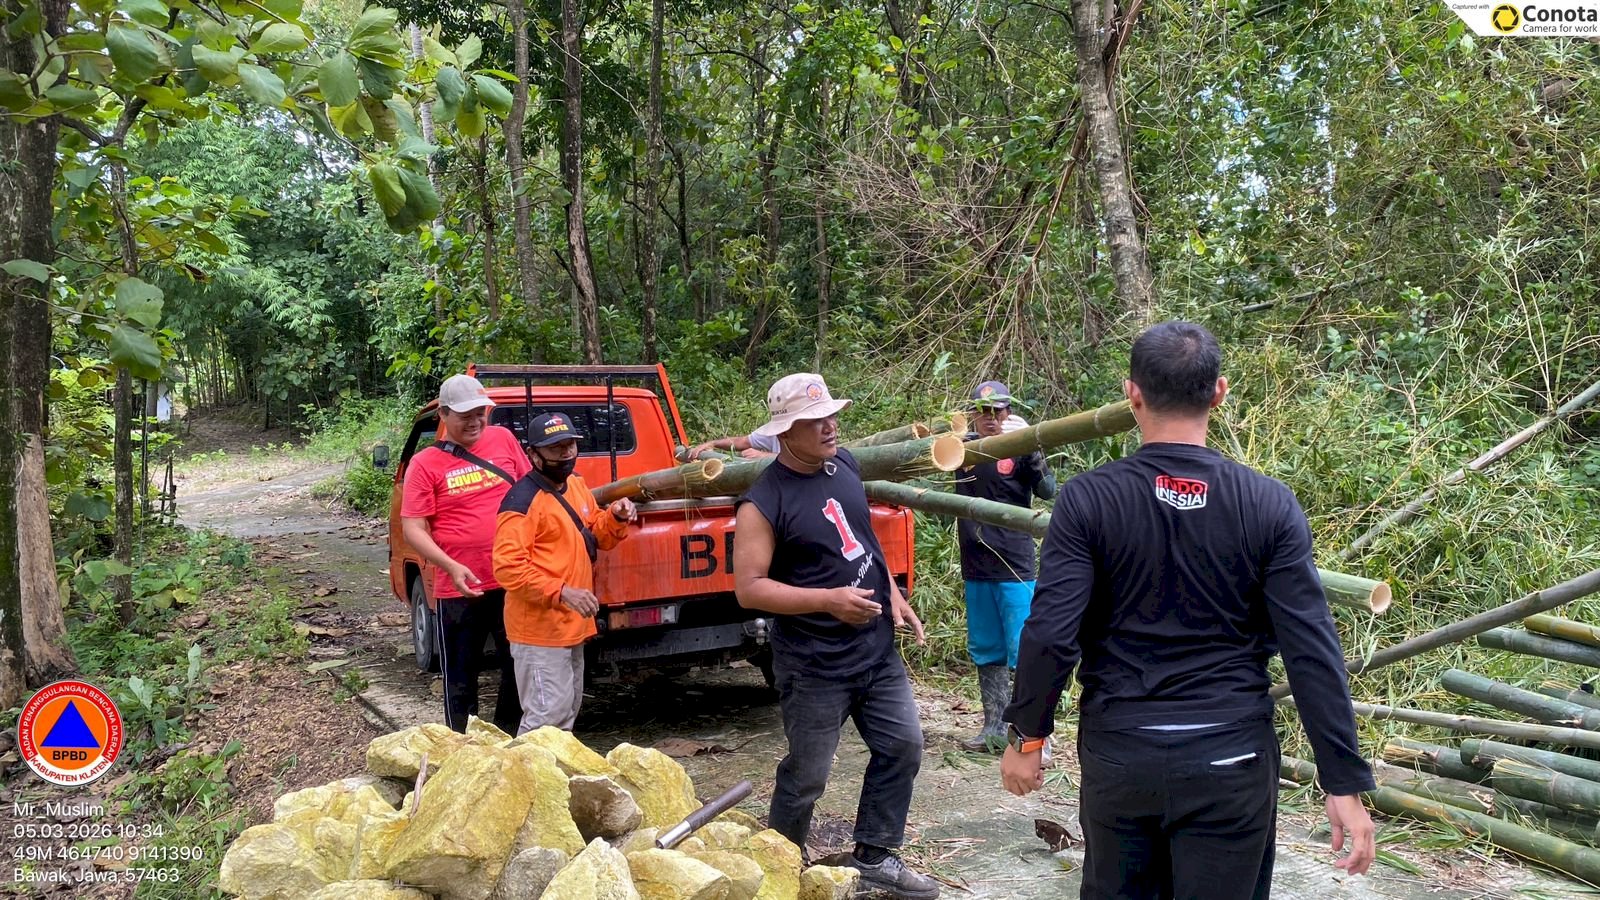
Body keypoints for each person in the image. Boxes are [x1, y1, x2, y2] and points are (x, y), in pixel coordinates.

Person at [1000, 322, 1376, 899]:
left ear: (1132, 395)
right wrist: (1343, 781)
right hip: (1232, 755)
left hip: (1122, 753)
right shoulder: (1267, 503)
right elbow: (1311, 649)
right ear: (1219, 393)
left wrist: (1028, 736)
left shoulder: (1088, 499)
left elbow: (1051, 632)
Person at [732, 373, 940, 900]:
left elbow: (864, 539)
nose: (829, 426)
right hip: (813, 662)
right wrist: (826, 600)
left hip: (873, 649)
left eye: (830, 414)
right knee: (808, 775)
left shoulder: (843, 464)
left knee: (904, 746)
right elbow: (749, 590)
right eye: (814, 421)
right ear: (785, 432)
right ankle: (781, 865)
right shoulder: (763, 502)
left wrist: (891, 592)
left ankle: (875, 855)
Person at [400, 374, 528, 734]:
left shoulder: (503, 439)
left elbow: (531, 493)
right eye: (465, 415)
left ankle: (506, 739)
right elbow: (413, 528)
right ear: (443, 413)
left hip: (511, 578)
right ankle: (462, 745)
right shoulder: (424, 464)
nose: (475, 421)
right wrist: (451, 566)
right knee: (460, 675)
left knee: (518, 666)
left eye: (481, 413)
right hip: (458, 587)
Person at [493, 411, 636, 733]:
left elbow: (595, 535)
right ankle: (527, 781)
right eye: (556, 448)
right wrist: (562, 592)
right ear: (533, 454)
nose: (566, 454)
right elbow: (508, 568)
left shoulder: (575, 486)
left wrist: (616, 516)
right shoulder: (521, 502)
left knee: (565, 715)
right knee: (544, 722)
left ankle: (556, 781)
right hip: (539, 633)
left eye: (570, 445)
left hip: (572, 627)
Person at [953, 380, 1055, 752]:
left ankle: (1034, 733)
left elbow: (1047, 491)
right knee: (987, 648)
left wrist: (1035, 456)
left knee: (1023, 648)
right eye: (983, 411)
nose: (990, 418)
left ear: (1007, 413)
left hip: (1014, 563)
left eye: (998, 411)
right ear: (973, 414)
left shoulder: (1019, 446)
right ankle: (993, 727)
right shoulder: (959, 450)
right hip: (975, 562)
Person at [688, 430, 779, 459]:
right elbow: (742, 442)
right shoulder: (774, 429)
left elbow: (793, 461)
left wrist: (764, 456)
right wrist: (713, 443)